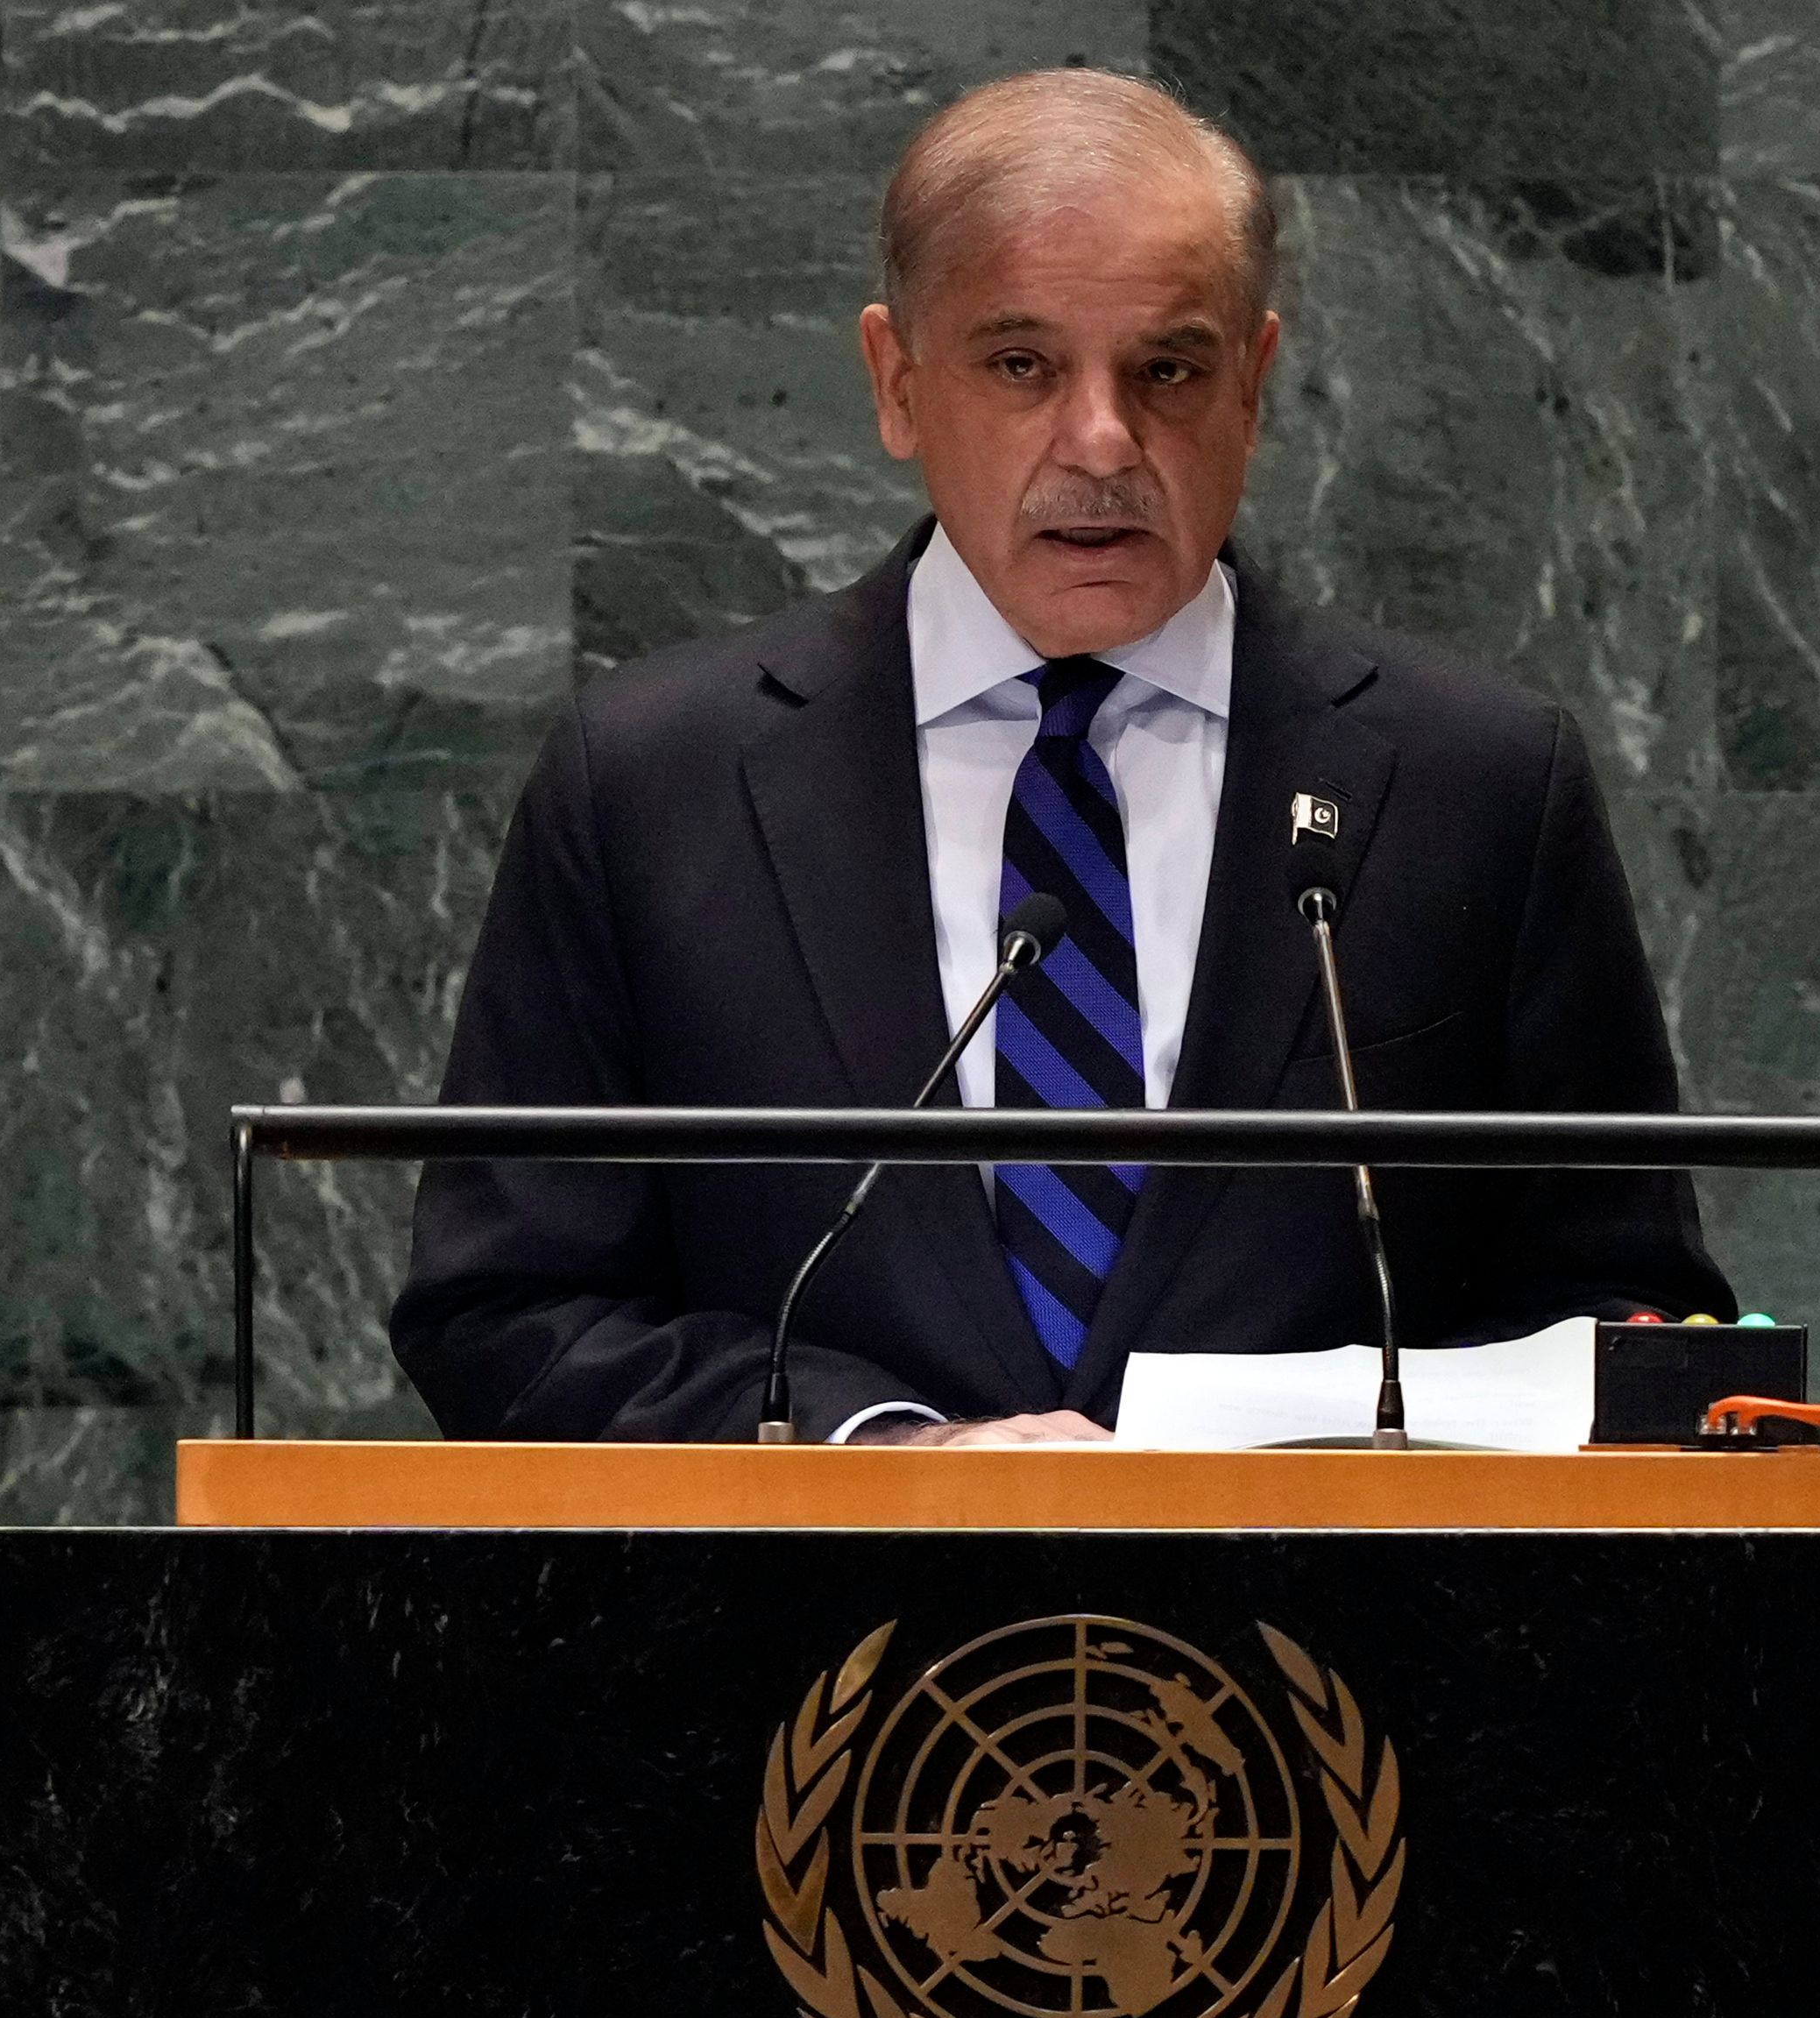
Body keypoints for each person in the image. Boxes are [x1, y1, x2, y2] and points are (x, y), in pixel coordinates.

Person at [391, 67, 1732, 1446]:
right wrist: (885, 1455)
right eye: (1023, 366)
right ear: (897, 383)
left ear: (1256, 386)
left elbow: (1632, 1319)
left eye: (1168, 369)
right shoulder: (653, 785)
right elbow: (509, 1310)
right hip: (792, 1646)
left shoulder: (1477, 784)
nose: (1102, 442)